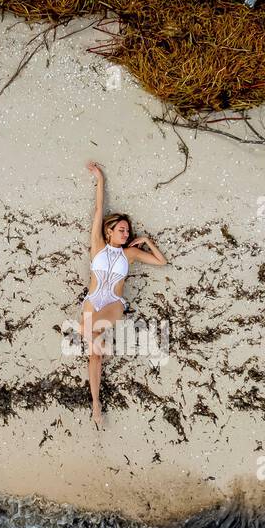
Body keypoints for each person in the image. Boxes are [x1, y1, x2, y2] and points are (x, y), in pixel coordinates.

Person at [81, 160, 167, 429]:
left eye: (128, 231)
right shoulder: (97, 245)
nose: (126, 233)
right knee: (94, 354)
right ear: (109, 231)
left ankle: (99, 344)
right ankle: (95, 403)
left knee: (92, 340)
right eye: (121, 229)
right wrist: (100, 179)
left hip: (113, 303)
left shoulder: (129, 254)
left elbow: (161, 262)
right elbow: (98, 209)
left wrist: (147, 242)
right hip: (92, 299)